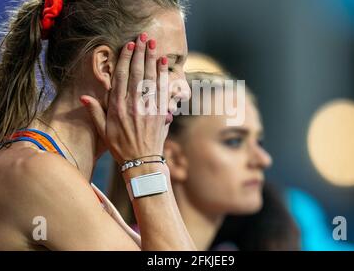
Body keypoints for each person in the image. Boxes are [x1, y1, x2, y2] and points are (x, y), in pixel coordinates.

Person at [0, 0, 195, 250]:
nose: (184, 91)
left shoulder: (70, 179)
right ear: (105, 66)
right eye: (168, 67)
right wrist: (145, 166)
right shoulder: (37, 173)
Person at [110, 52, 280, 250]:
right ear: (173, 158)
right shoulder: (120, 245)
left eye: (259, 142)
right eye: (234, 141)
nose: (263, 159)